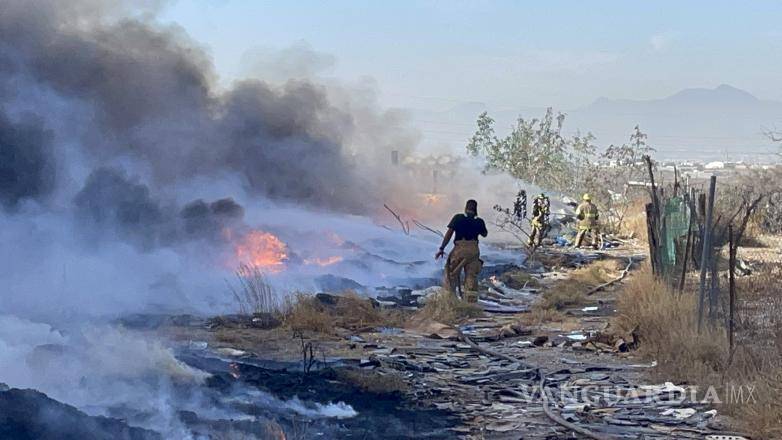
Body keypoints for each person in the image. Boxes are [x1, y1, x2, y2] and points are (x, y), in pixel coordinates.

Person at [435, 199, 488, 302]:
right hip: (473, 251)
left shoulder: (458, 218)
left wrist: (442, 248)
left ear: (465, 208)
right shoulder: (479, 221)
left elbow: (449, 234)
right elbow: (485, 234)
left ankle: (450, 301)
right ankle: (471, 303)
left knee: (451, 275)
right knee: (471, 278)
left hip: (460, 249)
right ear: (476, 210)